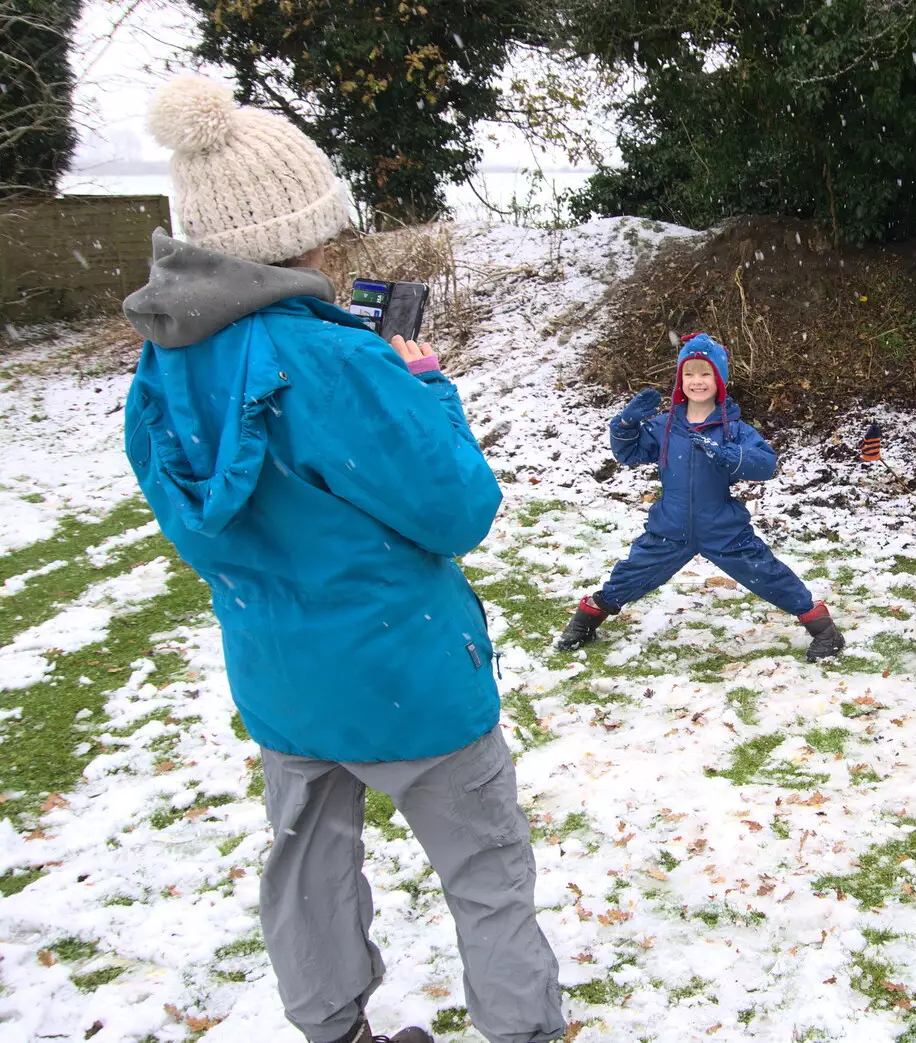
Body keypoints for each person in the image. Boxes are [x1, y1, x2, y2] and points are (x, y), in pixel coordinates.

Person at [121, 76, 563, 1043]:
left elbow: (198, 517)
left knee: (307, 870)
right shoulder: (334, 360)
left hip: (281, 677)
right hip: (406, 676)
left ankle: (334, 1029)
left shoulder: (164, 366)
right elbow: (459, 509)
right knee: (489, 878)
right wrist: (428, 388)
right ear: (303, 230)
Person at [555, 333, 845, 661]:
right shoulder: (665, 427)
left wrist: (728, 454)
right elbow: (629, 453)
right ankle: (586, 619)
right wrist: (624, 424)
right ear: (680, 380)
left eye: (705, 373)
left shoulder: (733, 429)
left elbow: (765, 463)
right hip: (670, 527)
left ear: (719, 379)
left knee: (767, 574)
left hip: (722, 527)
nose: (697, 381)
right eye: (689, 373)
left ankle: (823, 630)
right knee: (632, 574)